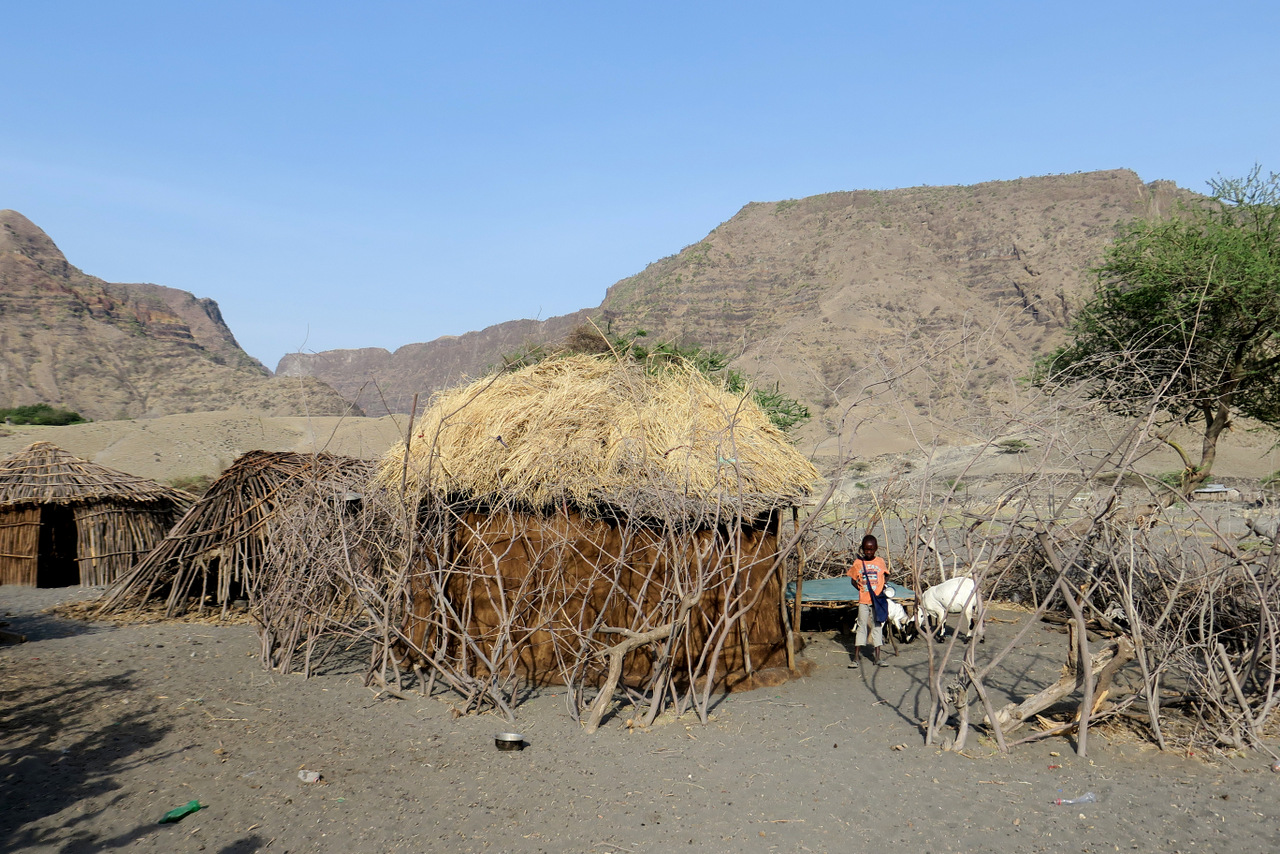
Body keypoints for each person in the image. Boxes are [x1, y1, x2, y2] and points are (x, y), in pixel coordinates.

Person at [846, 534, 889, 668]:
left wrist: (881, 589)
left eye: (871, 549)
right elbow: (853, 580)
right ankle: (856, 658)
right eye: (866, 549)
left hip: (876, 601)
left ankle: (877, 658)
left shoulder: (880, 562)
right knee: (861, 626)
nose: (868, 552)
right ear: (862, 549)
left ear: (876, 548)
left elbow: (886, 575)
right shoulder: (858, 563)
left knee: (877, 626)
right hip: (864, 601)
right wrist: (861, 589)